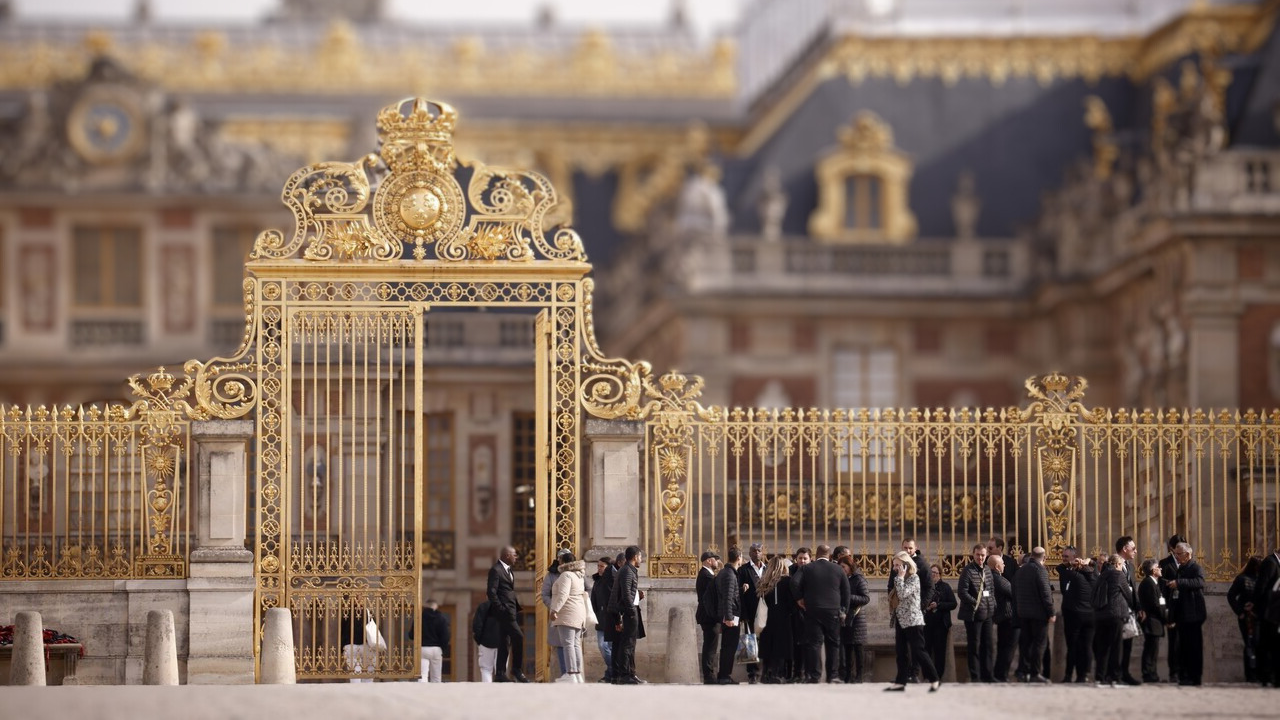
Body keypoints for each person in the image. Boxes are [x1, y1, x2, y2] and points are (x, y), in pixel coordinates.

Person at [885, 551, 941, 692]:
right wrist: (899, 578)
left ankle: (934, 679)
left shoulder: (914, 578)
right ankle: (900, 682)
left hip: (913, 620)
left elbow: (903, 594)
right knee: (901, 651)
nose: (894, 568)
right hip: (901, 619)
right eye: (894, 565)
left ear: (905, 565)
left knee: (918, 651)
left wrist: (900, 577)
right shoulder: (901, 577)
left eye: (897, 565)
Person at [793, 544, 849, 683]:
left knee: (814, 644)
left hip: (813, 610)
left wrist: (799, 598)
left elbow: (794, 582)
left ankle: (814, 676)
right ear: (829, 556)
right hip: (833, 611)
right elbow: (846, 591)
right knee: (833, 644)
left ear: (815, 556)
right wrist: (844, 610)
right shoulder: (838, 569)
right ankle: (833, 675)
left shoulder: (806, 568)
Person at [549, 552, 596, 683]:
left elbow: (563, 594)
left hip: (567, 613)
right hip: (578, 612)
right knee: (575, 644)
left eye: (559, 559)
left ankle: (570, 673)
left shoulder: (566, 575)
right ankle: (577, 674)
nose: (558, 561)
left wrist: (554, 610)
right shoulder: (578, 575)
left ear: (563, 561)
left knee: (568, 644)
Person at [486, 546, 528, 683]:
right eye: (514, 555)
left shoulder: (508, 570)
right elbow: (491, 592)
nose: (516, 557)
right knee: (519, 637)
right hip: (505, 612)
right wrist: (501, 608)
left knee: (505, 642)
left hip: (511, 610)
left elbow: (507, 590)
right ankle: (516, 669)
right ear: (507, 555)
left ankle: (500, 674)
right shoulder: (496, 570)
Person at [1166, 542, 1206, 686]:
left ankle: (1194, 676)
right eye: (1175, 554)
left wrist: (1179, 583)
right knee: (1182, 648)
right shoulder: (1181, 569)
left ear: (1188, 554)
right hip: (1182, 615)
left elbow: (1199, 582)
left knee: (1193, 647)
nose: (1176, 557)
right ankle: (1184, 675)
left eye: (1179, 554)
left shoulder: (1196, 568)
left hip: (1193, 614)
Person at [1013, 546, 1055, 683]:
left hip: (1023, 613)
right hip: (1039, 614)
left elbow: (1015, 591)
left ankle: (1023, 672)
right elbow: (1046, 594)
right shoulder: (1040, 570)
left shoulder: (1021, 570)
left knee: (1026, 644)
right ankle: (1035, 673)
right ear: (1044, 557)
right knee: (1039, 644)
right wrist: (1051, 612)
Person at [1093, 554, 1133, 687]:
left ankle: (1100, 677)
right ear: (1117, 564)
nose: (1122, 568)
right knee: (1116, 647)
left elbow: (1094, 593)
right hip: (1116, 615)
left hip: (1100, 615)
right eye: (1121, 565)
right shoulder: (1118, 575)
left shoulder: (1102, 574)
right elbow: (1128, 594)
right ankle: (1115, 677)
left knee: (1103, 648)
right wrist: (1137, 607)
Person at [1057, 546, 1096, 683]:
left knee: (1074, 646)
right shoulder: (1091, 574)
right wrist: (1087, 563)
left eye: (1066, 557)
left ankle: (1070, 675)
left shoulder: (1070, 574)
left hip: (1074, 615)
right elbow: (1095, 565)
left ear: (1074, 558)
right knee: (1085, 646)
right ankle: (1083, 675)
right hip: (1089, 615)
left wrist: (1073, 565)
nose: (1063, 559)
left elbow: (1059, 568)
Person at [957, 544, 995, 683]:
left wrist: (992, 605)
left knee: (988, 646)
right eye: (978, 555)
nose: (980, 557)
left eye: (983, 555)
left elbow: (991, 591)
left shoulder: (988, 570)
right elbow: (962, 592)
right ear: (973, 554)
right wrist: (976, 603)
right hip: (973, 615)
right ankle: (975, 676)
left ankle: (988, 675)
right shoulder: (967, 570)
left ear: (986, 556)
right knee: (975, 646)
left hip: (988, 615)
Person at [607, 545, 645, 684]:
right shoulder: (628, 571)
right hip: (629, 611)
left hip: (630, 609)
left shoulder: (629, 570)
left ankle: (631, 673)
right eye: (640, 557)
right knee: (627, 644)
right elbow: (626, 593)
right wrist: (630, 611)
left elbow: (630, 591)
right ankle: (625, 675)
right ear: (635, 557)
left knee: (630, 643)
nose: (641, 559)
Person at [757, 554, 795, 683]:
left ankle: (765, 674)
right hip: (783, 619)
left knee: (768, 645)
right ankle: (777, 674)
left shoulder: (764, 582)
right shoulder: (787, 582)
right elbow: (791, 603)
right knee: (781, 646)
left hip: (767, 618)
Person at [985, 537, 1018, 682]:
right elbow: (1013, 591)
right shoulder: (997, 578)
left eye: (990, 548)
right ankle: (1001, 675)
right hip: (1005, 614)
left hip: (1000, 614)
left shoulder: (1009, 564)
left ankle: (999, 674)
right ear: (998, 567)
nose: (987, 551)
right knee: (1007, 647)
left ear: (1000, 548)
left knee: (1002, 646)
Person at [1158, 534, 1186, 683]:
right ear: (1171, 548)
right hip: (1172, 608)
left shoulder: (1188, 562)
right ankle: (1174, 672)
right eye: (1178, 546)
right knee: (1174, 642)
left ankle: (1184, 671)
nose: (1181, 549)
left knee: (1186, 642)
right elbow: (1161, 588)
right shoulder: (1165, 563)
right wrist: (1165, 609)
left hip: (1187, 608)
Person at [541, 549, 574, 678]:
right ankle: (565, 673)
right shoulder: (551, 575)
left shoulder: (575, 574)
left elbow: (587, 588)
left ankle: (574, 673)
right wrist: (554, 607)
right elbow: (544, 595)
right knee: (561, 644)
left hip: (571, 612)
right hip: (558, 613)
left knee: (572, 643)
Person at [1228, 556, 1262, 683]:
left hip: (1259, 617)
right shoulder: (1242, 579)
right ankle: (1250, 675)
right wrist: (1240, 611)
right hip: (1246, 617)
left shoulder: (1261, 579)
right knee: (1249, 643)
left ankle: (1258, 672)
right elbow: (1231, 596)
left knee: (1258, 644)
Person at [837, 556, 870, 683]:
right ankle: (848, 676)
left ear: (850, 567)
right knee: (847, 648)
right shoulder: (840, 579)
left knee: (858, 648)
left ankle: (859, 676)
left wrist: (848, 597)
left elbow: (865, 598)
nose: (841, 569)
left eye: (843, 567)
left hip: (857, 619)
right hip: (844, 617)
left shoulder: (858, 579)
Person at [1115, 535, 1143, 685]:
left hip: (1129, 610)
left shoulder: (1131, 567)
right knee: (1116, 644)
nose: (1136, 551)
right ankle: (1114, 674)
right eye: (1133, 548)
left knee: (1128, 644)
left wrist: (1139, 607)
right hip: (1116, 610)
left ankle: (1124, 673)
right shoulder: (1112, 564)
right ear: (1125, 549)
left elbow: (1133, 590)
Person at [715, 547, 745, 684]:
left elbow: (729, 593)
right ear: (739, 557)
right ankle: (724, 676)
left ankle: (723, 674)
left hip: (730, 614)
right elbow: (727, 597)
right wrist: (729, 618)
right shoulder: (729, 574)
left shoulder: (727, 572)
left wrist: (740, 590)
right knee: (729, 647)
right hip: (731, 616)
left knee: (728, 646)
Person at [738, 542, 766, 684]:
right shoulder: (743, 570)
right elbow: (737, 592)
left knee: (766, 640)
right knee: (750, 641)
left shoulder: (767, 569)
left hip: (765, 611)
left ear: (763, 553)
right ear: (749, 553)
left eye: (759, 550)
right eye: (754, 551)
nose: (756, 553)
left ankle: (766, 670)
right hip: (750, 611)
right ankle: (752, 673)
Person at [923, 563, 957, 680]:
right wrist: (925, 606)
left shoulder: (946, 587)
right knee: (926, 651)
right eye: (931, 573)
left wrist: (939, 605)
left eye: (936, 573)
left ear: (940, 575)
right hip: (926, 624)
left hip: (941, 625)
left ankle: (938, 676)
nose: (933, 575)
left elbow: (953, 604)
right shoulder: (925, 586)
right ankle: (927, 676)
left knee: (939, 652)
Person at [1253, 545, 1280, 687]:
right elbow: (1261, 587)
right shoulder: (1270, 562)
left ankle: (1270, 677)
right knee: (1267, 645)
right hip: (1268, 612)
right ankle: (1266, 677)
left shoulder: (1274, 563)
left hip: (1273, 613)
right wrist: (1258, 608)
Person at [1137, 558, 1168, 683]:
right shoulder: (1148, 583)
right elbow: (1155, 605)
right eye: (1158, 567)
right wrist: (1166, 619)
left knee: (1153, 650)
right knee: (1150, 649)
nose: (1161, 569)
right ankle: (1148, 674)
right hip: (1152, 621)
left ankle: (1153, 674)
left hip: (1156, 621)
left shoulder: (1154, 582)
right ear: (1153, 570)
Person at [695, 550, 722, 684]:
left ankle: (710, 674)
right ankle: (709, 675)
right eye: (715, 559)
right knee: (710, 647)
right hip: (709, 616)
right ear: (709, 561)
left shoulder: (707, 574)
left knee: (710, 645)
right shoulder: (706, 576)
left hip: (708, 615)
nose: (717, 562)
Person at [590, 556, 617, 683]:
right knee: (603, 646)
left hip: (611, 618)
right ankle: (613, 671)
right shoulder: (597, 581)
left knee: (608, 646)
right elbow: (593, 600)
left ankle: (612, 672)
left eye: (602, 566)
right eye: (598, 566)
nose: (599, 568)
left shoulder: (612, 579)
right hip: (600, 618)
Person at [789, 547, 812, 681]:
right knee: (796, 645)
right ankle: (797, 673)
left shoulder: (814, 570)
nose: (802, 561)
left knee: (808, 644)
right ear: (796, 559)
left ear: (810, 559)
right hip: (795, 613)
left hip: (810, 612)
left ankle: (807, 673)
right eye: (800, 558)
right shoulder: (791, 570)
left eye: (805, 558)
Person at [418, 599, 450, 683]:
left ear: (425, 606)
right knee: (436, 677)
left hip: (423, 648)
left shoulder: (419, 617)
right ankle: (435, 695)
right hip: (436, 649)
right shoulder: (441, 618)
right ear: (435, 606)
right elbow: (445, 636)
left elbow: (411, 634)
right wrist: (443, 648)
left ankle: (420, 694)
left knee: (422, 675)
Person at [472, 600, 501, 682]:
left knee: (486, 669)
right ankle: (501, 693)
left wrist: (479, 641)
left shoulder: (483, 607)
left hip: (485, 643)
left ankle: (488, 692)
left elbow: (477, 626)